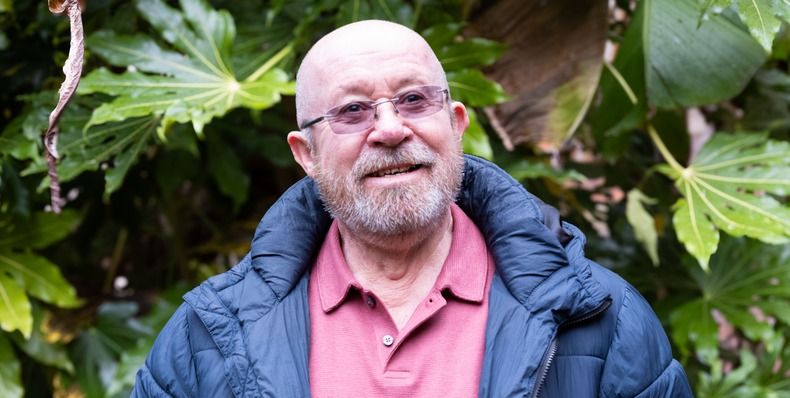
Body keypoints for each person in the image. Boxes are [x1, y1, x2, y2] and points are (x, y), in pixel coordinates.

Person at [132, 20, 693, 397]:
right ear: (306, 154)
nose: (391, 129)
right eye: (352, 110)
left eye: (414, 100)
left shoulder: (601, 320)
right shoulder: (209, 336)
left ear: (456, 125)